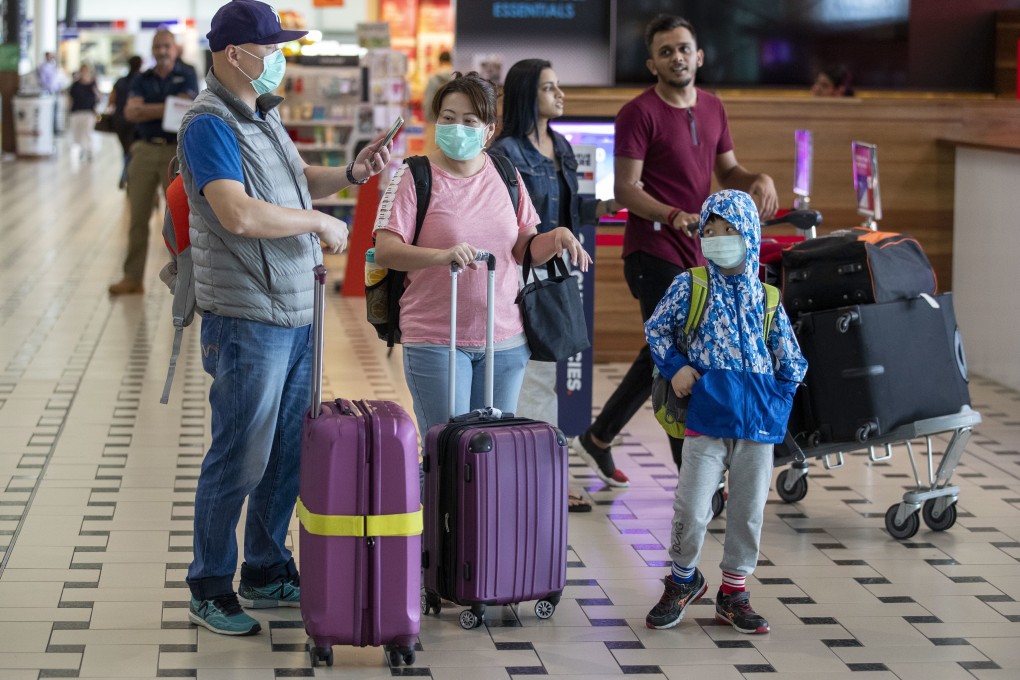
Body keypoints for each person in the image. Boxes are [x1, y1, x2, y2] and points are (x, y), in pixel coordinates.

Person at [179, 0, 392, 636]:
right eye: (270, 49)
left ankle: (266, 567)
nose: (278, 59)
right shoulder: (209, 124)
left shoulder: (263, 116)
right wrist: (318, 223)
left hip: (296, 310)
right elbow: (238, 212)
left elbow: (299, 182)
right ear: (233, 54)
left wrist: (351, 173)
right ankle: (209, 584)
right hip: (247, 316)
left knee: (285, 453)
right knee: (239, 455)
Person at [572, 14, 779, 483]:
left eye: (684, 49)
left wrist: (759, 179)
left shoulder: (713, 107)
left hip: (699, 250)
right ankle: (692, 477)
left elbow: (728, 172)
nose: (677, 57)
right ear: (652, 64)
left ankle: (598, 437)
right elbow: (626, 189)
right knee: (677, 352)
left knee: (663, 351)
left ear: (699, 56)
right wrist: (672, 215)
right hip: (652, 249)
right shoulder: (638, 113)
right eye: (665, 52)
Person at [372, 72, 591, 483]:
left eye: (470, 121)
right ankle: (437, 524)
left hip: (505, 339)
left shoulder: (505, 173)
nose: (457, 127)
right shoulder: (413, 176)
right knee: (447, 455)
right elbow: (385, 250)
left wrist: (556, 237)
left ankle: (482, 527)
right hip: (437, 338)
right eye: (448, 117)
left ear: (489, 130)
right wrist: (441, 257)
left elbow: (523, 247)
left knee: (490, 458)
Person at [643, 189, 807, 634]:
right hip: (707, 419)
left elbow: (792, 360)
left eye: (729, 229)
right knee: (692, 506)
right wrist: (677, 368)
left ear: (749, 233)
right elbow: (657, 330)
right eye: (710, 231)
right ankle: (682, 580)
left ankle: (734, 592)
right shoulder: (691, 285)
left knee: (748, 511)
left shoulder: (767, 298)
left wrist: (778, 401)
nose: (718, 239)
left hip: (757, 427)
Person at [489, 58, 620, 512]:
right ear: (528, 94)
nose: (560, 94)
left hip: (553, 274)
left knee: (543, 375)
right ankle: (538, 480)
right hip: (518, 272)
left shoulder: (561, 145)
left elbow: (569, 210)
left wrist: (607, 206)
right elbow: (504, 221)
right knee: (527, 377)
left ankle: (542, 476)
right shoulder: (505, 152)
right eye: (549, 87)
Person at [108, 29, 198, 296]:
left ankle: (187, 281)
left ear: (175, 48)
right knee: (137, 218)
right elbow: (130, 112)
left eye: (166, 46)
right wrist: (170, 106)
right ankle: (132, 278)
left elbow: (187, 108)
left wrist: (146, 109)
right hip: (144, 150)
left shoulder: (187, 73)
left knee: (180, 221)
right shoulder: (142, 78)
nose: (162, 51)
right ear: (152, 50)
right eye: (157, 46)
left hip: (175, 152)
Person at [109, 55, 143, 188]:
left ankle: (125, 174)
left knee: (125, 149)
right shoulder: (142, 81)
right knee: (134, 150)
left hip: (119, 121)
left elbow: (112, 100)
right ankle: (127, 174)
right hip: (136, 122)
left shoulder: (120, 81)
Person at [67, 64, 100, 160]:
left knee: (87, 132)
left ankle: (89, 150)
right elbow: (70, 99)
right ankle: (82, 149)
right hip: (76, 111)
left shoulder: (93, 84)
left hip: (89, 112)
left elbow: (98, 97)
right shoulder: (75, 85)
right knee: (78, 133)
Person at [423, 50, 453, 124]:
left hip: (436, 119)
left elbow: (429, 101)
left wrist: (428, 118)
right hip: (452, 120)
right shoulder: (456, 79)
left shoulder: (433, 79)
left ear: (440, 62)